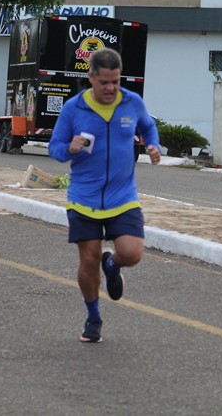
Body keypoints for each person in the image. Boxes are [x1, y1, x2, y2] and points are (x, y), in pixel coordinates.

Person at [48, 48, 161, 343]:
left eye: (116, 81)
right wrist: (69, 148)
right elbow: (54, 148)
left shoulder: (132, 102)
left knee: (132, 254)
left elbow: (148, 126)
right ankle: (93, 317)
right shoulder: (74, 109)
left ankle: (112, 266)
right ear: (91, 78)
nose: (111, 88)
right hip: (83, 198)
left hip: (122, 196)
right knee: (89, 259)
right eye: (104, 83)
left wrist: (153, 145)